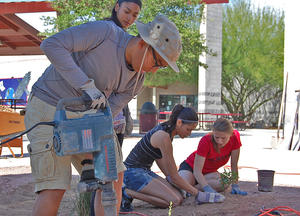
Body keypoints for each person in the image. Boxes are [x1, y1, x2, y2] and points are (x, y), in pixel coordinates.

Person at [24, 9, 182, 216]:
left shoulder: (136, 82)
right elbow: (51, 44)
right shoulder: (104, 33)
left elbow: (105, 116)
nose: (154, 71)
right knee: (54, 186)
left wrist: (94, 155)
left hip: (87, 116)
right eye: (158, 63)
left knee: (113, 177)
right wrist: (85, 85)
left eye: (161, 67)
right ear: (144, 44)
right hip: (50, 107)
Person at [121, 104, 225, 212]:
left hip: (143, 171)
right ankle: (127, 192)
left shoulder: (166, 130)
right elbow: (175, 176)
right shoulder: (163, 136)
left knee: (178, 197)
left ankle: (129, 191)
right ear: (179, 122)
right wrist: (199, 194)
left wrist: (171, 181)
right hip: (131, 173)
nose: (189, 134)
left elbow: (159, 159)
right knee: (173, 201)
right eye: (188, 129)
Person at [178, 118, 248, 197]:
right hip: (190, 168)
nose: (220, 141)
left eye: (223, 138)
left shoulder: (235, 138)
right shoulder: (206, 140)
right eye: (217, 137)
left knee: (226, 182)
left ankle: (192, 190)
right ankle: (190, 188)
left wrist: (235, 185)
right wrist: (207, 188)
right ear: (213, 133)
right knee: (181, 187)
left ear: (230, 135)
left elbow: (234, 165)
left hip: (209, 173)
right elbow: (197, 171)